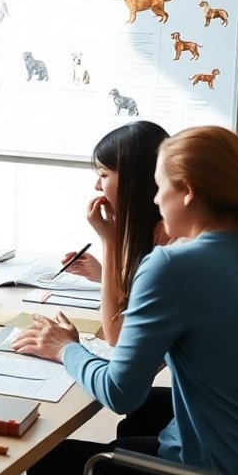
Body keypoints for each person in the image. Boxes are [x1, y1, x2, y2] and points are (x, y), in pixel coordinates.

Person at [14, 126, 238, 475]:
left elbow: (121, 394)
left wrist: (65, 347)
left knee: (46, 460)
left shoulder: (173, 265)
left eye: (159, 188)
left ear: (187, 191)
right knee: (127, 442)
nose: (155, 200)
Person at [59, 121, 170, 346]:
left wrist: (109, 242)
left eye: (103, 174)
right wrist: (104, 273)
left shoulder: (171, 243)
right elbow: (142, 295)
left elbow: (118, 335)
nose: (97, 186)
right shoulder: (150, 227)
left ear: (134, 179)